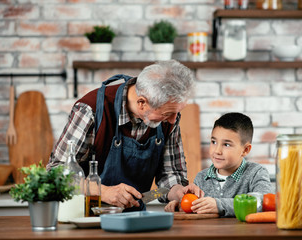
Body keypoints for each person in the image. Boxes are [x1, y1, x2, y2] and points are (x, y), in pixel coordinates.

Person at [47, 60, 202, 210]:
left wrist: (176, 191)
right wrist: (103, 191)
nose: (173, 120)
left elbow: (170, 174)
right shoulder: (90, 110)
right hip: (86, 216)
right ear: (142, 103)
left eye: (177, 113)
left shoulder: (168, 119)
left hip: (135, 216)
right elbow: (55, 173)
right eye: (168, 114)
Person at [165, 112, 273, 217]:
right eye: (214, 142)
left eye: (226, 144)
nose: (217, 151)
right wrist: (182, 205)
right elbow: (194, 207)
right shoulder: (201, 178)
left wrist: (219, 205)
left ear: (245, 150)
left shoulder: (256, 172)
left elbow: (263, 201)